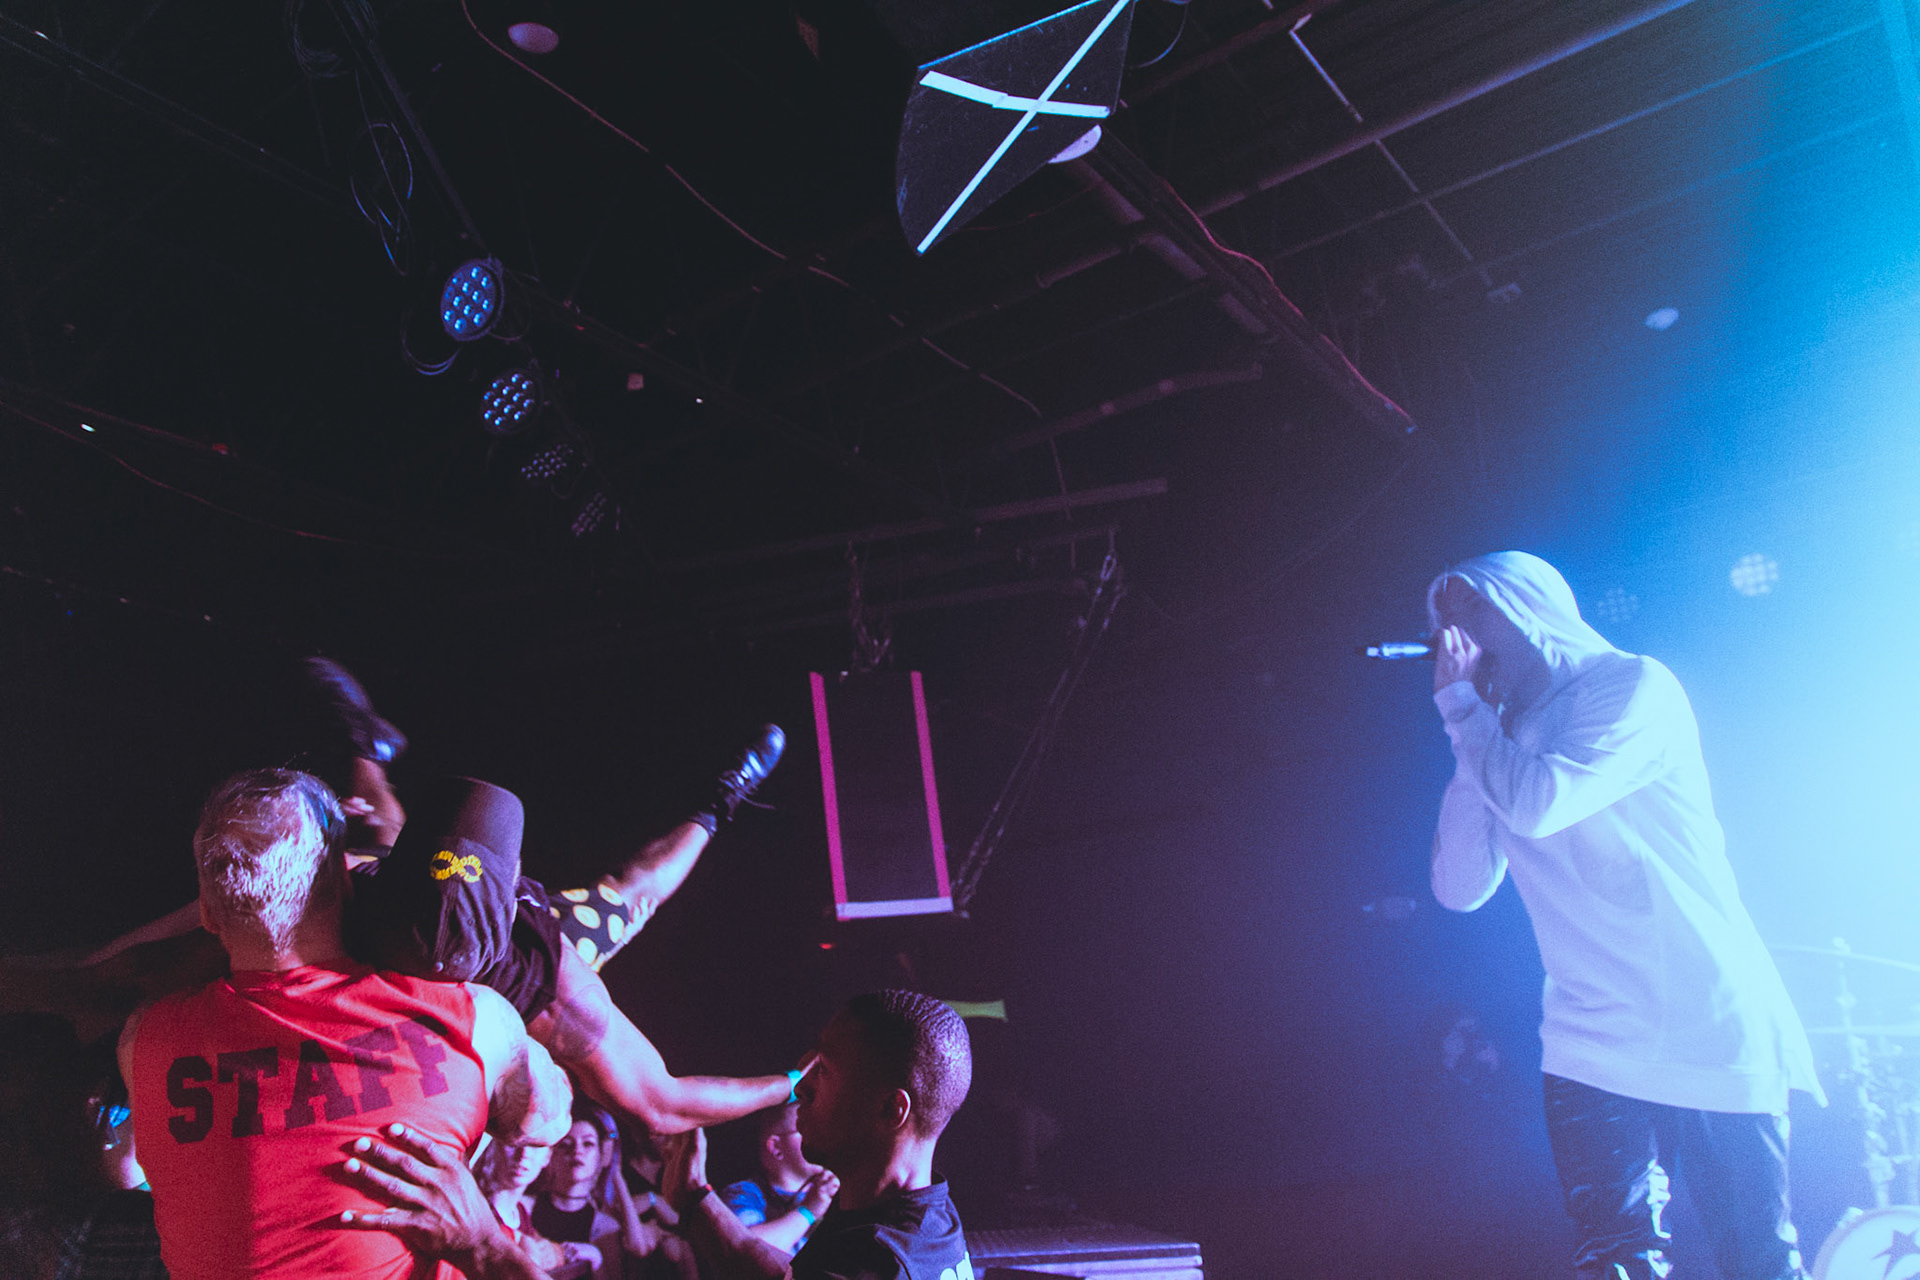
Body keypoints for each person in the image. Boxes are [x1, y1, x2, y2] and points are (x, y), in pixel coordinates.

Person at [8, 656, 801, 1135]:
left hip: (501, 939)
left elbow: (664, 1103)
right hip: (422, 891)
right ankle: (367, 750)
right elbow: (666, 1102)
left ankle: (722, 799)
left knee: (630, 896)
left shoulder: (549, 980)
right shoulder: (357, 892)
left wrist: (790, 1085)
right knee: (375, 839)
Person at [1424, 551, 1823, 1280]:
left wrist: (1466, 715)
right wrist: (1469, 733)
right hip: (1588, 1030)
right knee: (1613, 1259)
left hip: (1704, 1014)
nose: (1458, 633)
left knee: (1756, 1259)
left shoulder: (1632, 686)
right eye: (1444, 618)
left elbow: (1540, 805)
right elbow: (1459, 888)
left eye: (1474, 607)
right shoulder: (1492, 735)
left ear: (1530, 605)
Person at [119, 769, 573, 1279]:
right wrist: (483, 1244)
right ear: (342, 878)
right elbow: (545, 1122)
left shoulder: (144, 1043)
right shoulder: (474, 1021)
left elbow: (131, 1167)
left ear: (207, 912)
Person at [666, 990, 975, 1280]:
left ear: (890, 1109)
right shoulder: (930, 1224)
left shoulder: (876, 1262)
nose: (801, 1087)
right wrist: (696, 1200)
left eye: (824, 1069)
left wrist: (694, 1203)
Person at [528, 1104, 698, 1280]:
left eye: (588, 1144)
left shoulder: (604, 1225)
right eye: (566, 1145)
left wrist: (595, 1257)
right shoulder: (525, 1207)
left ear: (601, 1155)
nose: (577, 1151)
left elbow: (635, 1249)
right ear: (549, 1155)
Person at [720, 1104, 839, 1255]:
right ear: (776, 1147)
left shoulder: (839, 1192)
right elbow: (748, 1254)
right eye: (805, 1128)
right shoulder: (743, 1194)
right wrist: (808, 1212)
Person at [475, 1137, 603, 1275]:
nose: (524, 1154)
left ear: (547, 1156)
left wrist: (582, 1252)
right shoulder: (477, 1208)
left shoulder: (520, 1213)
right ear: (493, 1147)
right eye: (514, 1143)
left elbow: (546, 1250)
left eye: (535, 1146)